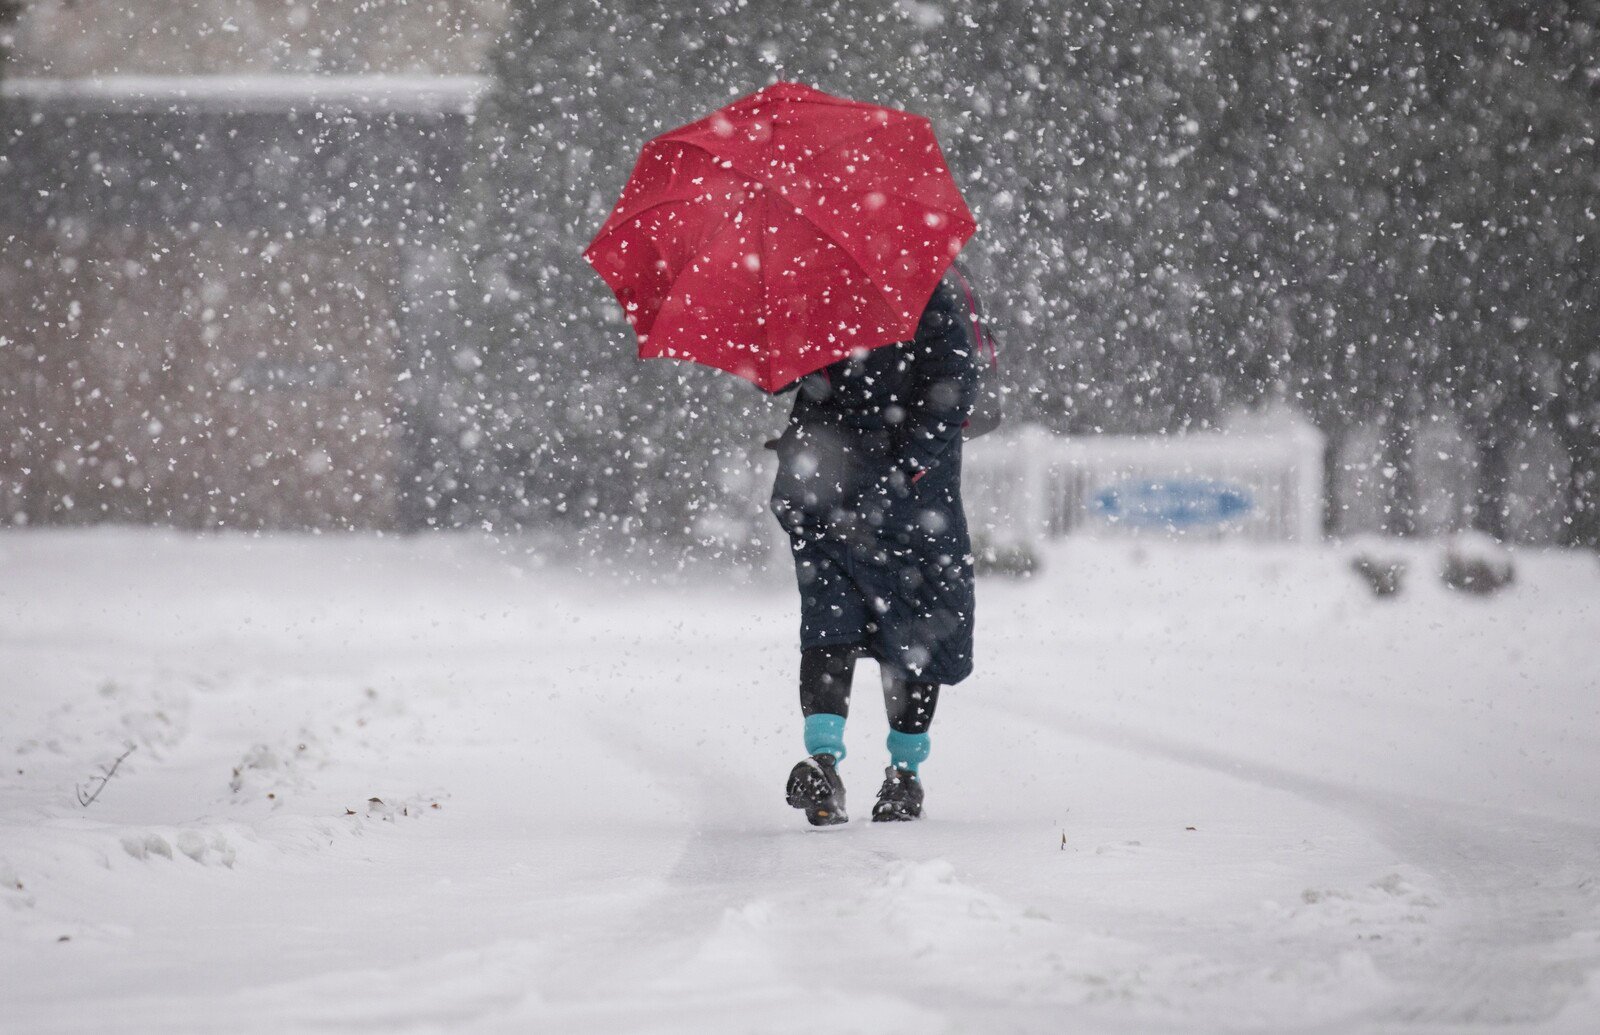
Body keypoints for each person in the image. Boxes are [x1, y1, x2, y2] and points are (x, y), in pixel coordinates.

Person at [768, 267, 981, 825]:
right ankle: (823, 763)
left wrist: (906, 464)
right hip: (826, 488)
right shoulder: (807, 281)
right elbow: (778, 377)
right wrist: (793, 361)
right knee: (828, 621)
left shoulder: (928, 287)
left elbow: (953, 382)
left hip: (907, 501)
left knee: (913, 631)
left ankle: (904, 774)